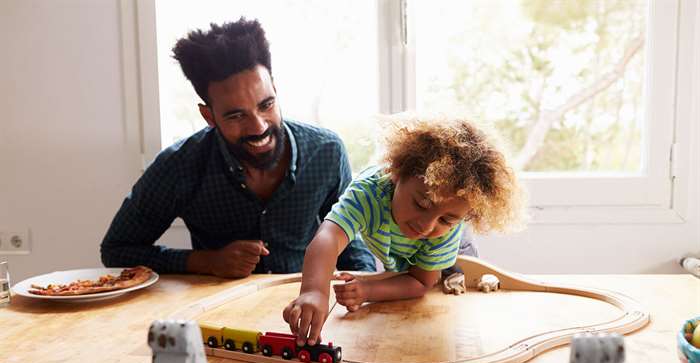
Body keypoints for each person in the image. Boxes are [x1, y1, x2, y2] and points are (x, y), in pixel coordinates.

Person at [101, 19, 375, 277]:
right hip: (218, 318)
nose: (258, 127)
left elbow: (351, 245)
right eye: (236, 116)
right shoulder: (178, 165)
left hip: (304, 308)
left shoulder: (326, 151)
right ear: (209, 117)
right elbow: (117, 250)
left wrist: (366, 298)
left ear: (276, 91)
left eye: (266, 105)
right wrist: (208, 262)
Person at [283, 117, 525, 346]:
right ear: (398, 174)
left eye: (447, 218)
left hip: (455, 255)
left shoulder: (447, 230)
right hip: (400, 253)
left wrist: (367, 289)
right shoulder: (369, 193)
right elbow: (329, 236)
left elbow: (421, 281)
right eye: (421, 204)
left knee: (450, 302)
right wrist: (314, 290)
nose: (426, 225)